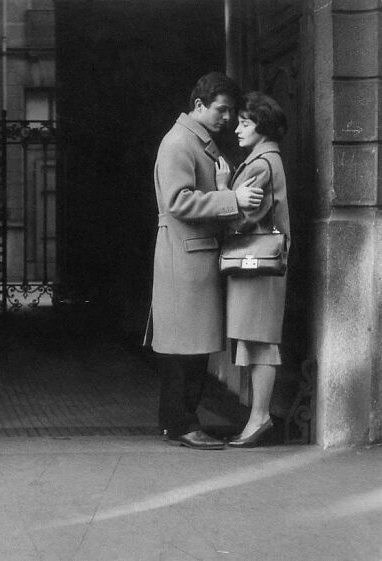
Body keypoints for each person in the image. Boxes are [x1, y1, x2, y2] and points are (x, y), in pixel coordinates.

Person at [150, 72, 264, 450]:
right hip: (186, 257)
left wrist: (221, 192)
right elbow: (178, 201)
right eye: (221, 109)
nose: (228, 118)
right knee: (186, 349)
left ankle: (176, 423)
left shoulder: (193, 140)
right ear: (198, 106)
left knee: (190, 346)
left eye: (232, 111)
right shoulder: (180, 143)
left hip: (191, 256)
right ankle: (182, 424)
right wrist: (231, 198)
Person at [223, 92, 290, 448]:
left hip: (257, 266)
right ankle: (257, 416)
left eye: (245, 123)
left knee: (261, 342)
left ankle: (259, 417)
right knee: (256, 338)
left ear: (261, 127)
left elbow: (243, 218)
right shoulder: (267, 158)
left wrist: (222, 190)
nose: (237, 128)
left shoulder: (261, 163)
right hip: (260, 267)